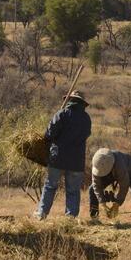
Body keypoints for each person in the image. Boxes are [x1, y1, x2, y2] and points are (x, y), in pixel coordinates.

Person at [35, 90, 91, 220]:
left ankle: (42, 214)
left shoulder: (61, 114)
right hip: (76, 161)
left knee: (50, 186)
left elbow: (49, 134)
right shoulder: (86, 118)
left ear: (69, 100)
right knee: (73, 190)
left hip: (57, 158)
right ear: (82, 103)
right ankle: (70, 217)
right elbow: (86, 134)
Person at [89, 148, 131, 224]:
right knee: (92, 189)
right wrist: (102, 203)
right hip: (113, 171)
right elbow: (96, 185)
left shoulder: (119, 164)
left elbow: (124, 185)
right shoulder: (97, 163)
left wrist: (117, 204)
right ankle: (94, 219)